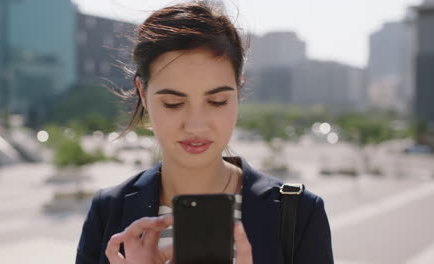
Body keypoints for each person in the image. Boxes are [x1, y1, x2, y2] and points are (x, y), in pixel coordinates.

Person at [75, 1, 333, 264]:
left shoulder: (300, 213)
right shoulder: (108, 211)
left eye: (217, 101)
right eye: (173, 103)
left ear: (238, 89)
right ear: (143, 93)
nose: (196, 126)